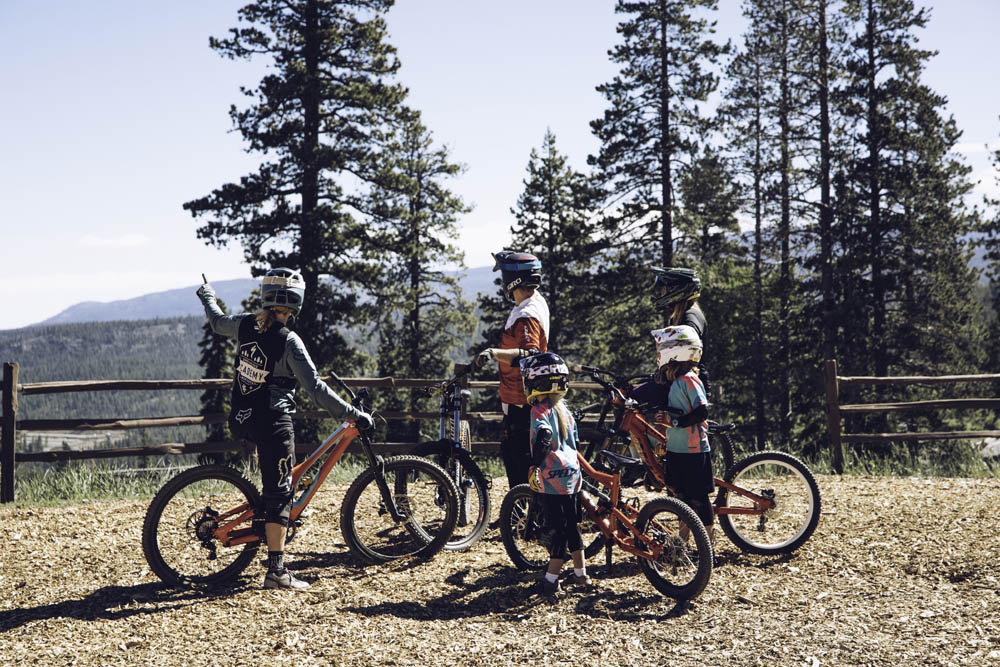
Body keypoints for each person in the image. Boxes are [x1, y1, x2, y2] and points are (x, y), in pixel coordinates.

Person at [197, 267, 373, 591]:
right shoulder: (289, 341)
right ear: (295, 305)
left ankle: (266, 528)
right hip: (273, 423)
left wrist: (207, 295)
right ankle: (276, 571)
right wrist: (351, 413)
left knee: (273, 483)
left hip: (242, 416)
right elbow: (317, 389)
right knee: (280, 494)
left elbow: (217, 322)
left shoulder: (247, 324)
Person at [475, 250, 550, 492]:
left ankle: (520, 515)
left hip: (521, 399)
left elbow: (531, 354)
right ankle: (519, 513)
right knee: (517, 456)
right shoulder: (533, 302)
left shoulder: (527, 314)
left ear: (513, 280)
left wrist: (494, 353)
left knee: (517, 457)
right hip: (520, 397)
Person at [520, 352, 590, 596]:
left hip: (552, 476)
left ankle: (551, 579)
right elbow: (577, 445)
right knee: (572, 525)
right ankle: (581, 575)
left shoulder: (539, 411)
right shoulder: (566, 412)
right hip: (572, 474)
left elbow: (544, 436)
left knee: (557, 529)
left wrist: (534, 463)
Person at [649, 325, 715, 545]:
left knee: (698, 498)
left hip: (693, 449)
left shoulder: (689, 379)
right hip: (678, 448)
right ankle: (683, 542)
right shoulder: (677, 380)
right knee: (682, 498)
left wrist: (674, 421)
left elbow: (702, 411)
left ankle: (708, 543)